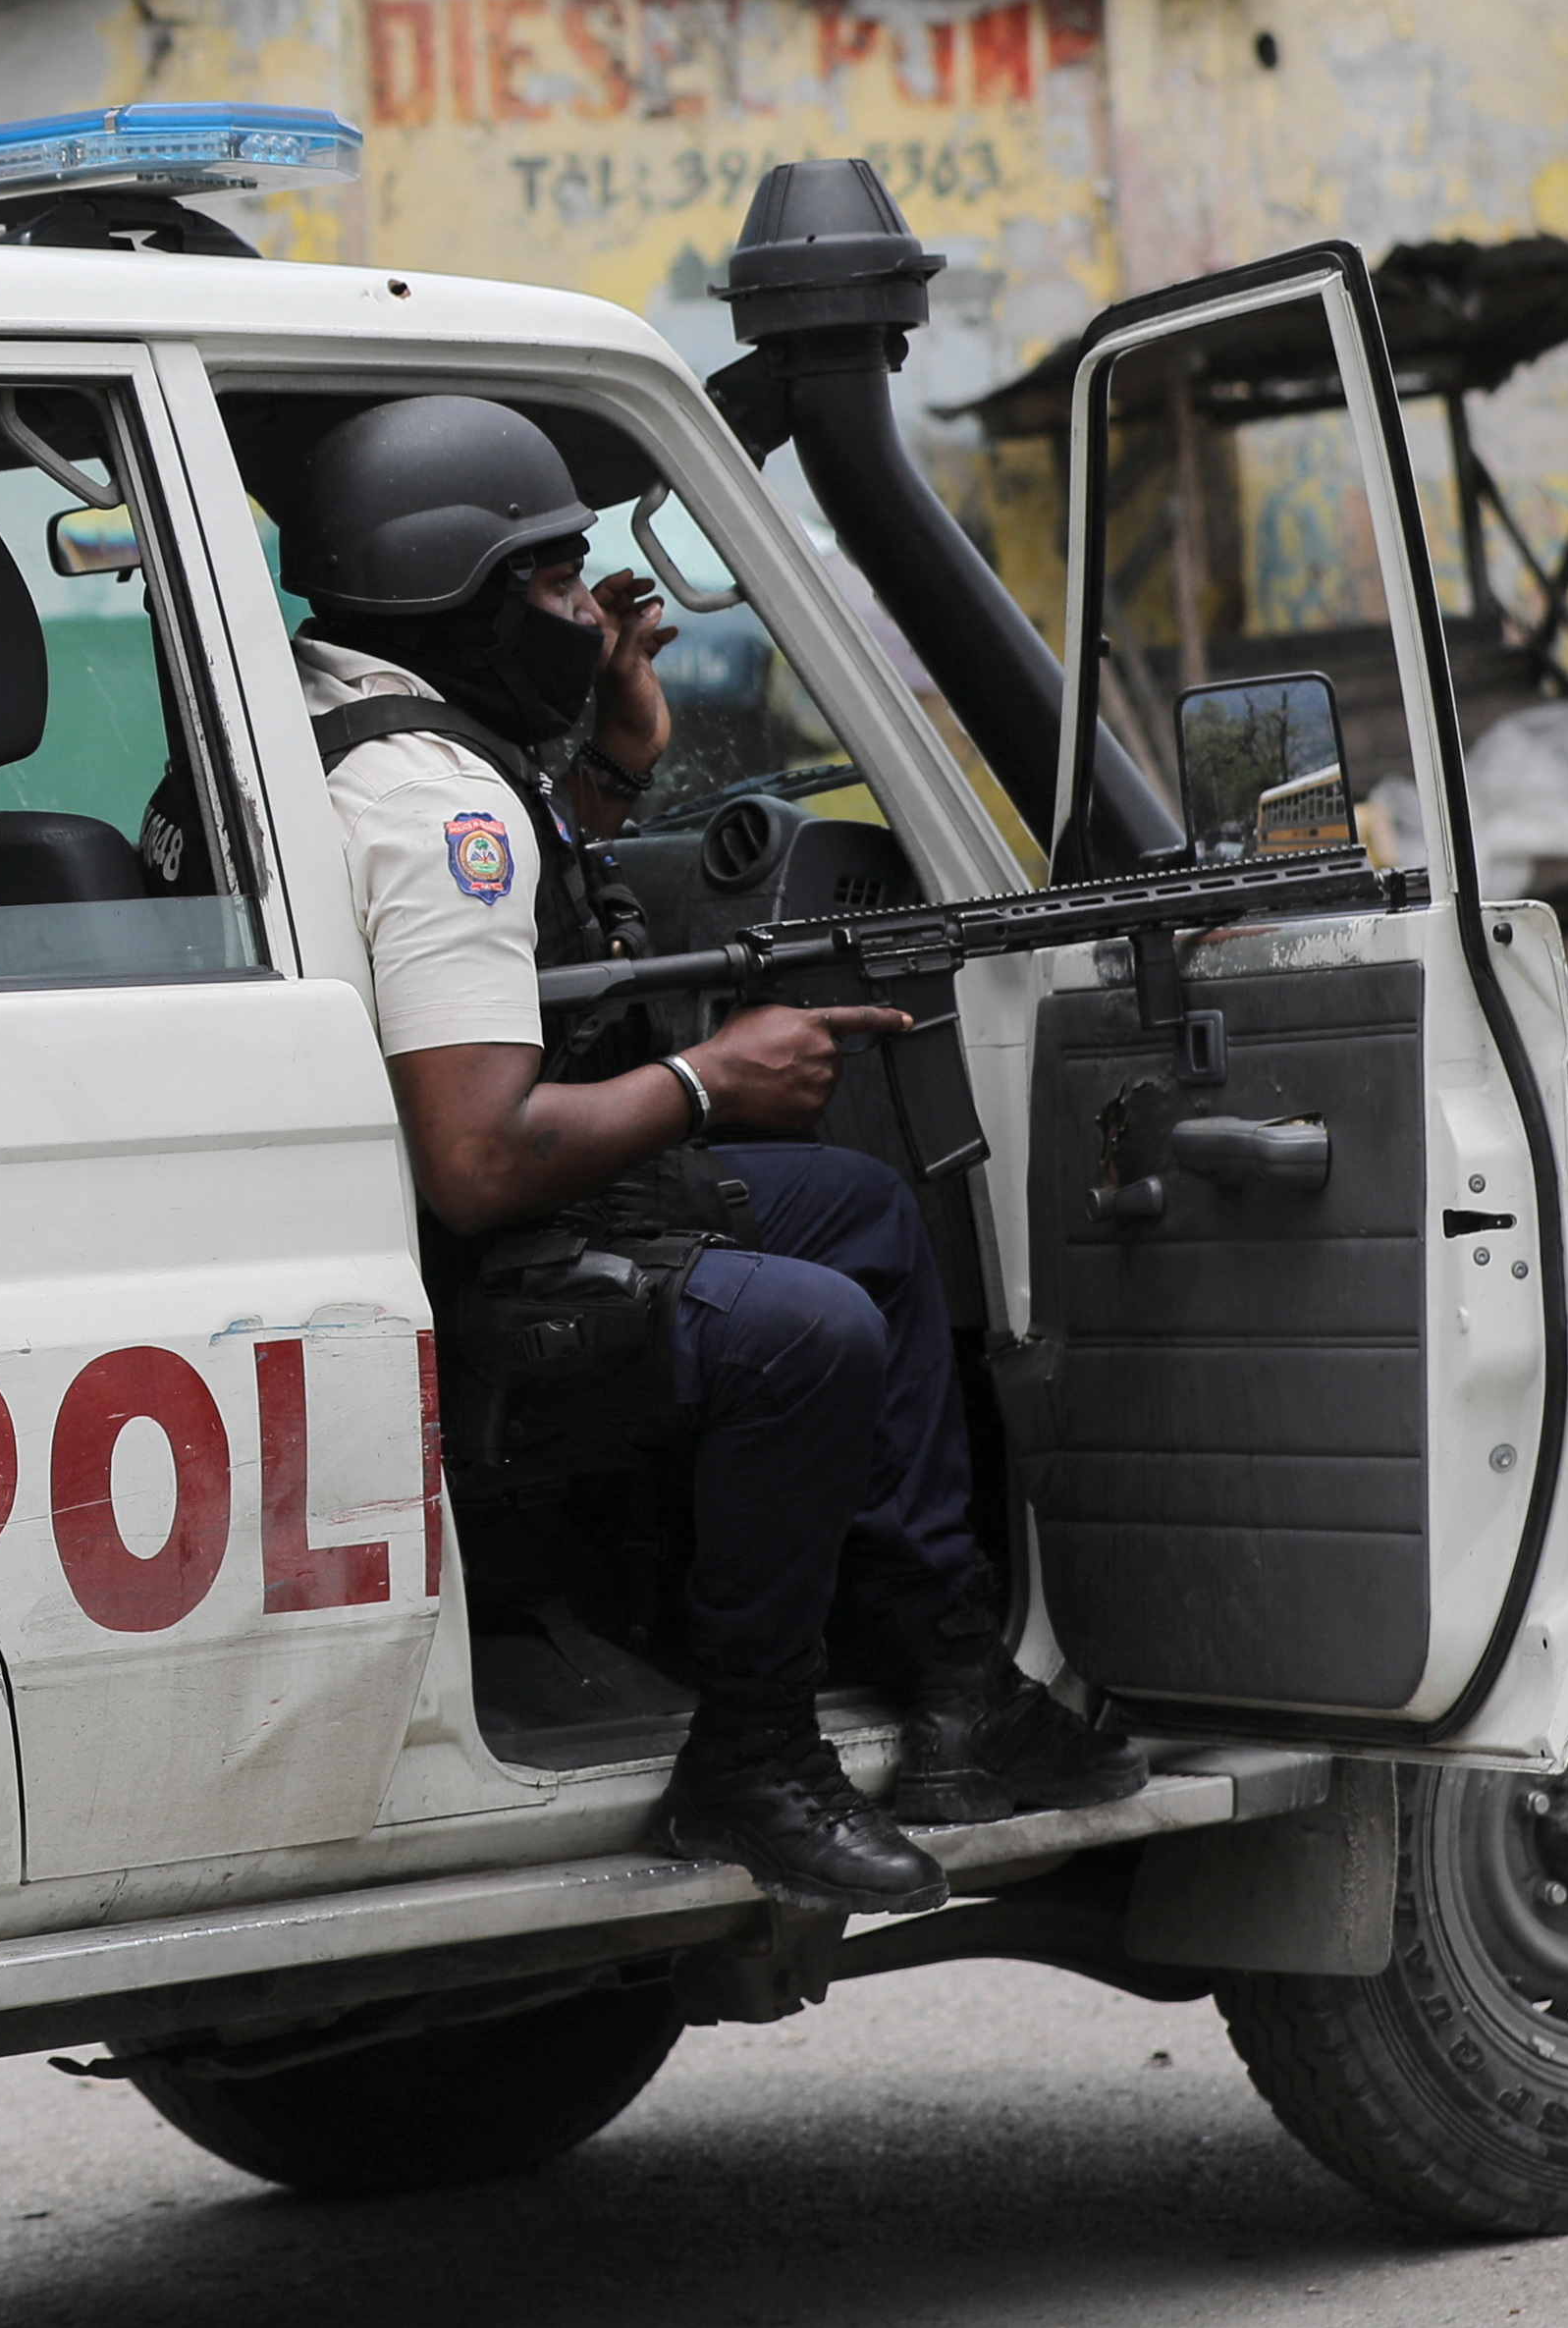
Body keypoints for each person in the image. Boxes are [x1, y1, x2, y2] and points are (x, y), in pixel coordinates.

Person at [286, 395, 1140, 1915]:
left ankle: (950, 1682)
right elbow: (480, 1161)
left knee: (863, 1216)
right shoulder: (429, 800)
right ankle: (753, 1756)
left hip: (430, 1230)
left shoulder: (332, 721)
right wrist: (706, 1078)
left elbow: (504, 945)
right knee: (798, 1334)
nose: (583, 611)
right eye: (552, 585)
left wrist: (615, 761)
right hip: (473, 1276)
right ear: (461, 598)